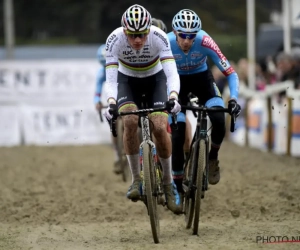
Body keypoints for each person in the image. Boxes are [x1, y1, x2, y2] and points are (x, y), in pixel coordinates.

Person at [104, 4, 182, 214]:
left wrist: (173, 97)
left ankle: (167, 183)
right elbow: (110, 79)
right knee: (129, 121)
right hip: (127, 81)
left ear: (149, 30)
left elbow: (172, 74)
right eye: (132, 35)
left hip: (155, 80)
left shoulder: (159, 37)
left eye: (141, 34)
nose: (137, 40)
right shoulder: (114, 40)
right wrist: (111, 102)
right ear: (124, 32)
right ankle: (136, 180)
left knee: (159, 125)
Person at [167, 9, 241, 193]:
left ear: (197, 34)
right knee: (177, 134)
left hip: (202, 80)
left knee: (218, 119)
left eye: (191, 36)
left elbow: (230, 73)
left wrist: (233, 99)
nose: (186, 40)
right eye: (182, 35)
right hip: (177, 84)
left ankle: (212, 157)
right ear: (175, 32)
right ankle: (177, 187)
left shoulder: (204, 40)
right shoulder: (166, 42)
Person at [94, 44, 122, 174]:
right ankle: (117, 156)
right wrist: (97, 102)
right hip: (113, 98)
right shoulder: (101, 73)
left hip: (123, 95)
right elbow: (97, 92)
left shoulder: (121, 68)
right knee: (113, 126)